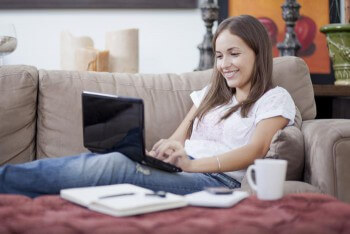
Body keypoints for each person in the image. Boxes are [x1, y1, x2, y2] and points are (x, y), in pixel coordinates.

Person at [0, 15, 295, 198]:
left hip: (217, 182)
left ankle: (5, 181)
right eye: (219, 56)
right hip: (184, 169)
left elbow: (256, 150)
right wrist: (164, 151)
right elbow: (178, 136)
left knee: (114, 165)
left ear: (259, 53)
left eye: (234, 54)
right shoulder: (212, 93)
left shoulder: (274, 98)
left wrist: (191, 164)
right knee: (115, 159)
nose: (224, 65)